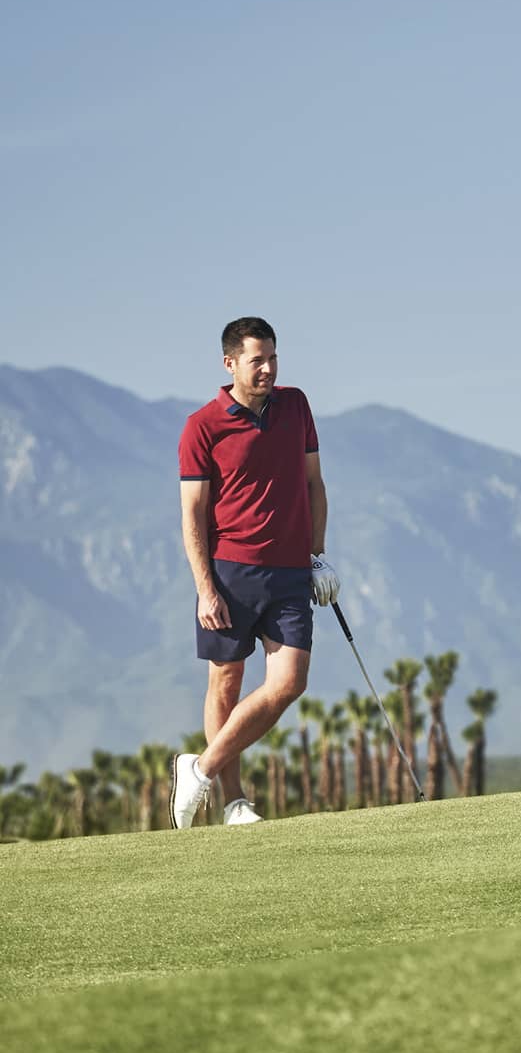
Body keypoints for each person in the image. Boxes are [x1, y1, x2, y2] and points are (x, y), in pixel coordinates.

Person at [170, 317, 340, 828]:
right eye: (256, 360)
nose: (267, 368)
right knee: (226, 684)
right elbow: (192, 516)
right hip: (230, 574)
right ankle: (232, 801)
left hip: (289, 572)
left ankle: (199, 769)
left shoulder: (296, 406)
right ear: (230, 364)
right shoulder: (203, 426)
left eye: (272, 358)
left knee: (289, 682)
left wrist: (317, 554)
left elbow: (314, 484)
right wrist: (205, 588)